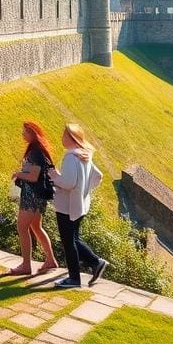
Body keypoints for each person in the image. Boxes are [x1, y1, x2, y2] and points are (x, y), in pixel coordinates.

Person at [48, 123, 106, 288]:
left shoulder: (71, 156)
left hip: (67, 206)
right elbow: (98, 177)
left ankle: (74, 278)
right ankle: (96, 263)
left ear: (71, 137)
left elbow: (68, 182)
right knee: (74, 239)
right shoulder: (85, 155)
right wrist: (84, 191)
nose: (62, 138)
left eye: (64, 135)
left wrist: (54, 177)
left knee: (68, 242)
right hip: (80, 205)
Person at [8, 121, 59, 276]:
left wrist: (18, 174)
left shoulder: (35, 152)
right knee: (36, 227)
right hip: (38, 196)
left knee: (22, 227)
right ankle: (50, 260)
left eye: (25, 132)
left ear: (32, 133)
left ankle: (26, 265)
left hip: (32, 196)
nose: (22, 134)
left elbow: (33, 176)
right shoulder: (38, 149)